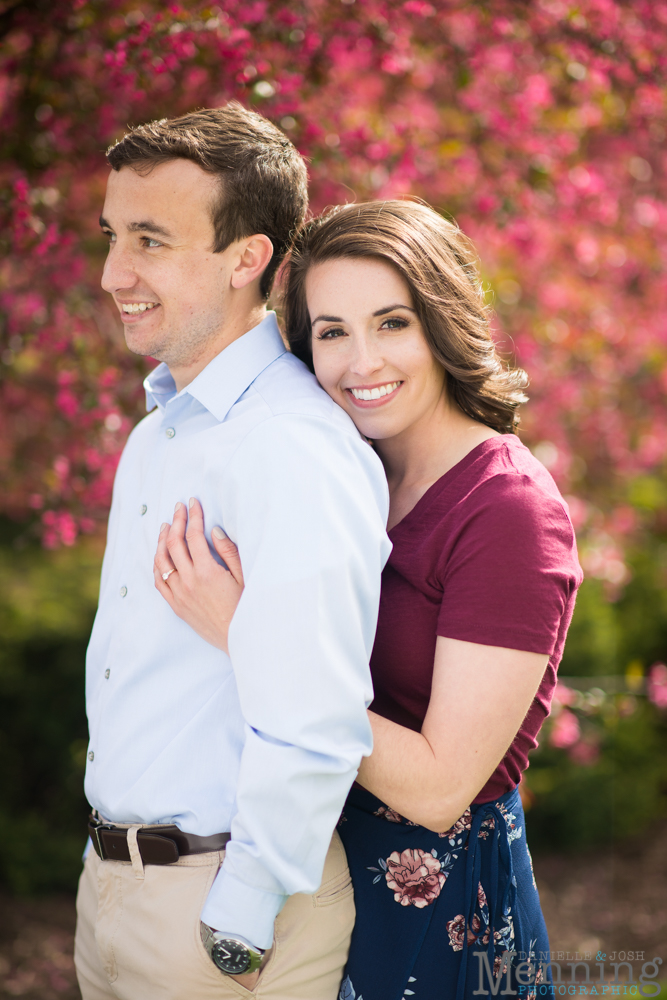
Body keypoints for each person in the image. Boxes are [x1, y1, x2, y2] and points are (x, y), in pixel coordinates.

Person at [154, 200, 583, 1000]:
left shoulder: (507, 510)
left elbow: (436, 785)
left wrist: (249, 635)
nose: (361, 361)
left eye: (391, 323)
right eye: (330, 331)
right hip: (310, 885)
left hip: (436, 912)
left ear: (443, 324)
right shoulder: (341, 476)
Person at [74, 107, 392, 1000]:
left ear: (247, 258)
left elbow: (320, 714)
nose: (113, 275)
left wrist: (237, 921)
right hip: (112, 888)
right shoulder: (160, 433)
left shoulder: (288, 445)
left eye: (149, 240)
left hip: (220, 912)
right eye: (111, 237)